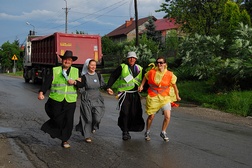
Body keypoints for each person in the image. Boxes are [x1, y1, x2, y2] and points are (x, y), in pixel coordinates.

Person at [38, 50, 79, 148]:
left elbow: (81, 83)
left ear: (72, 61)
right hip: (56, 99)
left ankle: (65, 140)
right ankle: (54, 130)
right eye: (65, 59)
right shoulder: (55, 70)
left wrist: (75, 82)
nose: (67, 61)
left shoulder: (76, 71)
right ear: (62, 60)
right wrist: (41, 92)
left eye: (69, 60)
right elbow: (47, 82)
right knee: (58, 119)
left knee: (69, 121)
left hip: (70, 100)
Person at [138, 56, 181, 142]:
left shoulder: (170, 74)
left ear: (165, 64)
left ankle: (163, 132)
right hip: (153, 96)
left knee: (167, 116)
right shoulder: (152, 72)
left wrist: (177, 96)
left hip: (165, 97)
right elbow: (145, 78)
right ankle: (147, 131)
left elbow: (174, 86)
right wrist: (141, 85)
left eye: (161, 62)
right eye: (157, 62)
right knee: (151, 116)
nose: (159, 64)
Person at [106, 51, 145, 140]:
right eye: (130, 58)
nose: (132, 59)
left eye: (133, 58)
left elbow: (146, 78)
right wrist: (108, 87)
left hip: (135, 94)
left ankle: (132, 127)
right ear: (127, 59)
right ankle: (125, 131)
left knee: (134, 112)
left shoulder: (140, 68)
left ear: (136, 59)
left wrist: (144, 87)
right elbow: (113, 76)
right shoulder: (122, 67)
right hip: (124, 94)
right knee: (125, 112)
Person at [75, 59, 106, 143]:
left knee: (97, 118)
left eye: (94, 65)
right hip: (87, 99)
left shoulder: (99, 76)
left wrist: (108, 89)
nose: (93, 67)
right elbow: (80, 88)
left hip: (97, 99)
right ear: (87, 66)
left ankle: (91, 127)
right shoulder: (84, 77)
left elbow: (103, 85)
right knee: (88, 119)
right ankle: (87, 136)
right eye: (91, 65)